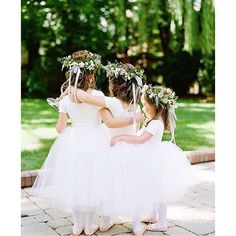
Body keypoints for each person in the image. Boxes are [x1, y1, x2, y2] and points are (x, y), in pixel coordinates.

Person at [32, 51, 144, 236]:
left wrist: (68, 94)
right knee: (94, 180)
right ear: (91, 75)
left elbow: (60, 128)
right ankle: (91, 224)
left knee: (75, 180)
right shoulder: (99, 94)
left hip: (73, 141)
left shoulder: (66, 99)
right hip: (96, 139)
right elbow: (101, 115)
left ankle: (77, 225)